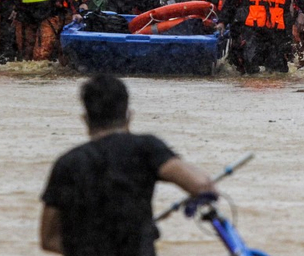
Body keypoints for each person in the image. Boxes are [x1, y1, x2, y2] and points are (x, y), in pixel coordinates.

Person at [40, 74, 217, 256]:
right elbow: (201, 184)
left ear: (86, 119)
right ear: (129, 115)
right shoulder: (146, 148)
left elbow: (48, 239)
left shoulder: (67, 163)